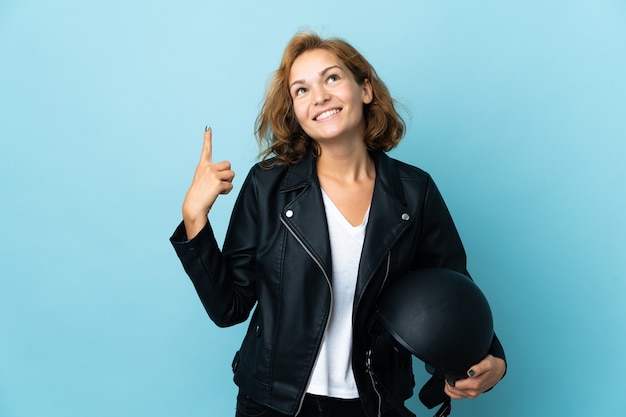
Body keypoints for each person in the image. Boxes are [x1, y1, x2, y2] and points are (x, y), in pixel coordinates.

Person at [170, 31, 506, 417]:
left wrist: (491, 358)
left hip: (375, 401)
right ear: (295, 112)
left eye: (331, 78)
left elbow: (451, 291)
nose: (319, 96)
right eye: (301, 90)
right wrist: (195, 218)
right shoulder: (267, 186)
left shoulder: (415, 192)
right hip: (274, 404)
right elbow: (229, 307)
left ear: (365, 90)